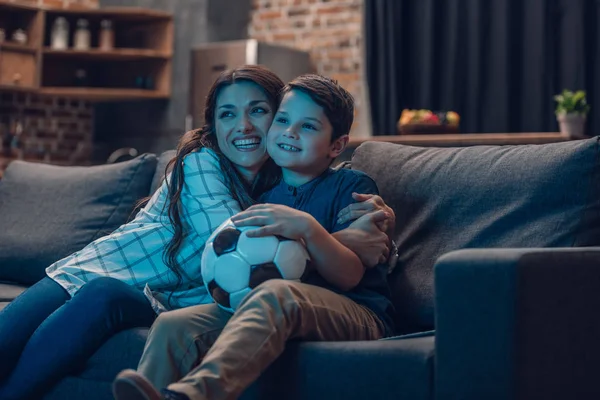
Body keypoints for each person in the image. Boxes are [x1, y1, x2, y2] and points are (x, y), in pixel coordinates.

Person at [0, 66, 392, 400]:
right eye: (226, 115)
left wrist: (364, 226)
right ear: (212, 125)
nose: (244, 126)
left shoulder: (286, 184)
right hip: (92, 273)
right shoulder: (203, 164)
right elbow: (231, 240)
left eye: (259, 111)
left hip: (150, 298)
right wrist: (340, 238)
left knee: (117, 303)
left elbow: (273, 253)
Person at [112, 74, 396, 400]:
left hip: (357, 313)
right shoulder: (265, 198)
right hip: (283, 311)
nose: (290, 132)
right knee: (172, 326)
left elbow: (350, 275)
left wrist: (307, 228)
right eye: (283, 120)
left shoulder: (352, 187)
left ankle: (192, 395)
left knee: (277, 293)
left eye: (308, 127)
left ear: (337, 146)